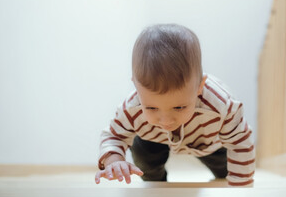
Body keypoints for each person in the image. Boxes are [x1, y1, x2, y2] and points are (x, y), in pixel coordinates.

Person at [95, 24, 255, 187]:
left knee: (226, 170)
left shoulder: (222, 106)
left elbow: (239, 141)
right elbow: (114, 135)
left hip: (209, 140)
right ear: (137, 88)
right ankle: (156, 182)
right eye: (151, 108)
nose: (166, 120)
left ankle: (223, 172)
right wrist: (114, 160)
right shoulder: (131, 107)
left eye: (179, 107)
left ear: (200, 86)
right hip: (154, 138)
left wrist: (240, 186)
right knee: (144, 158)